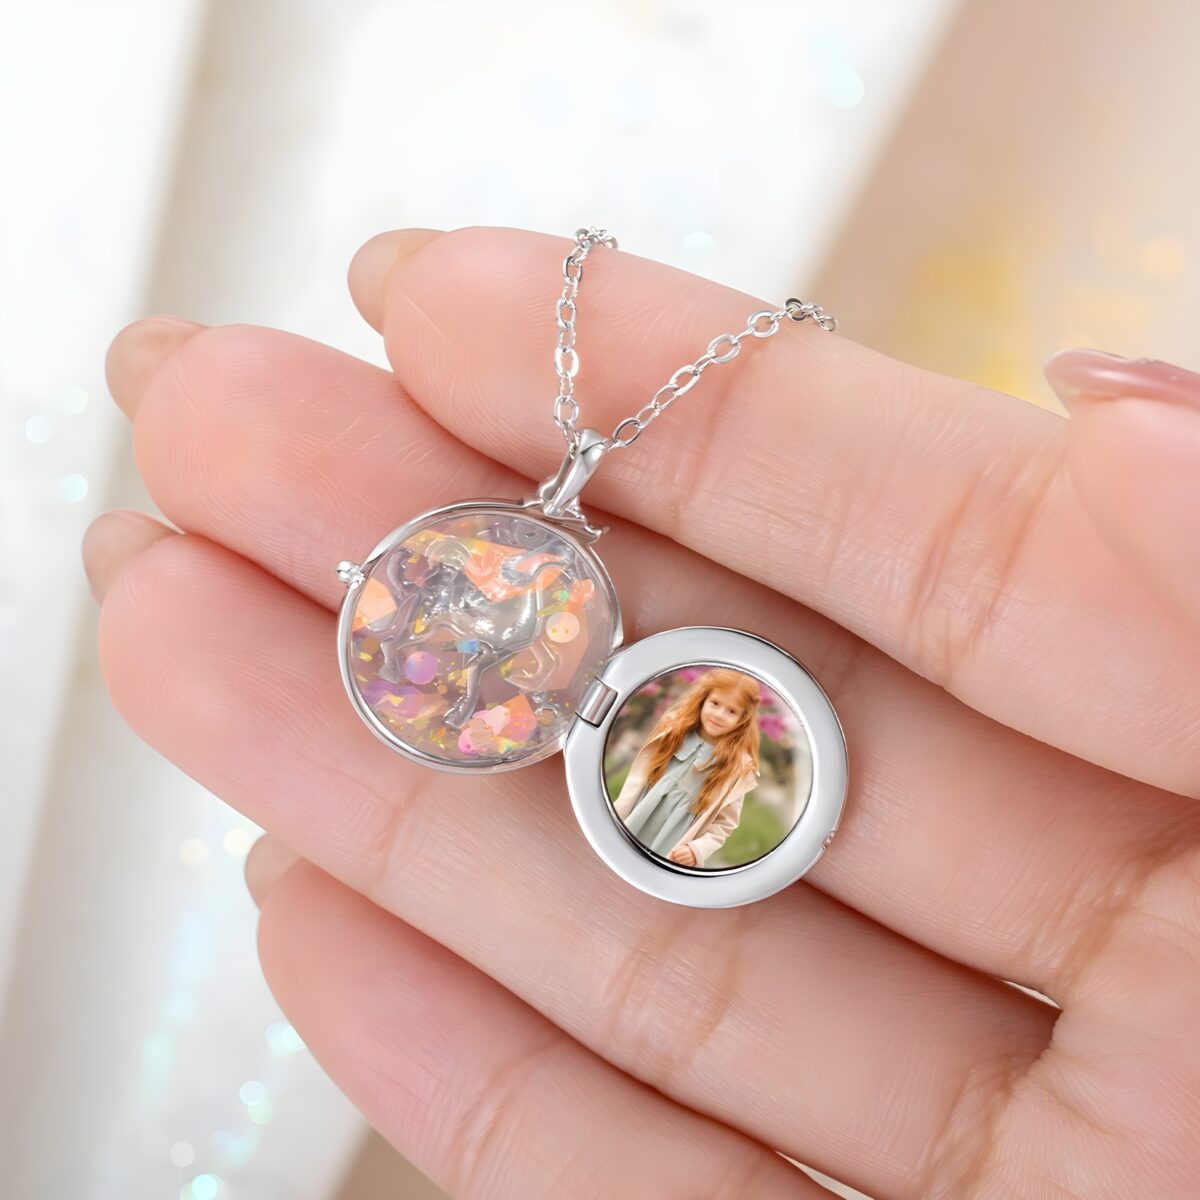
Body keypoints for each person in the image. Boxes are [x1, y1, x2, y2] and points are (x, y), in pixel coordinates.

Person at [85, 225, 1200, 1197]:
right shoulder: (581, 693)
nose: (712, 725)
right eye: (708, 721)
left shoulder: (697, 740)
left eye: (719, 721)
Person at [612, 668, 761, 867]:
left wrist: (697, 850)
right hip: (637, 817)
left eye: (732, 711)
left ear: (743, 718)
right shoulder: (674, 731)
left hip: (673, 842)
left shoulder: (736, 768)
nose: (719, 715)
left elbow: (724, 824)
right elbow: (640, 776)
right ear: (703, 700)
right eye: (715, 703)